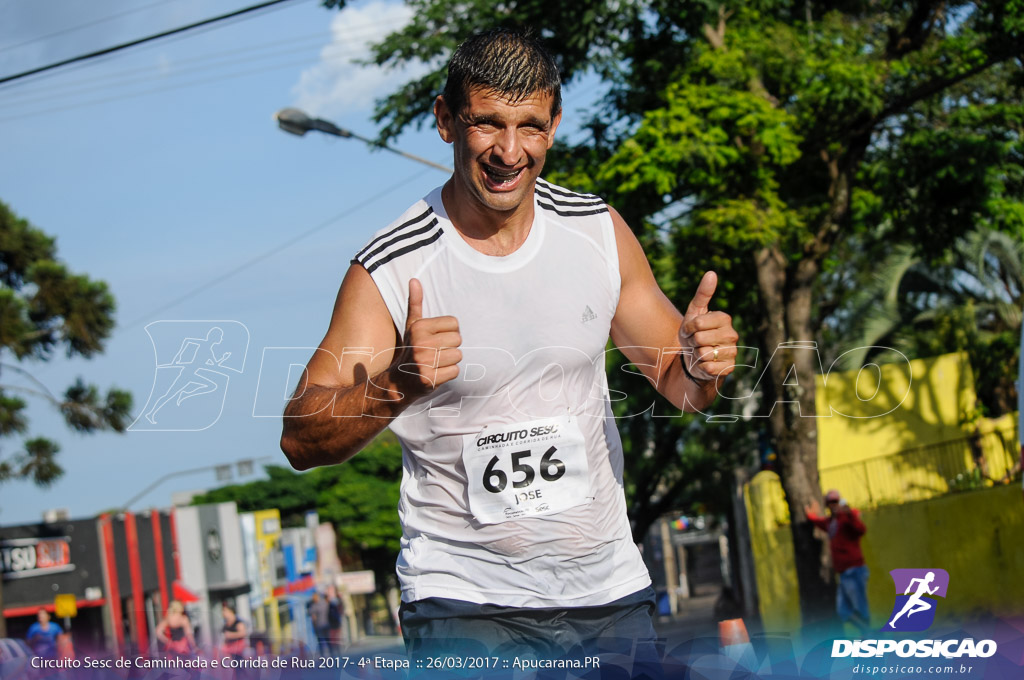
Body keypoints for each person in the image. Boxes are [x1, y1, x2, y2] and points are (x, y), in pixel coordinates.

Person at [280, 29, 738, 661]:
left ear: (553, 126)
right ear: (445, 120)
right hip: (464, 597)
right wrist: (397, 383)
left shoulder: (596, 232)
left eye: (529, 126)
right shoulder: (389, 267)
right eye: (487, 124)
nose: (509, 150)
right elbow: (300, 438)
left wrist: (703, 365)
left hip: (607, 590)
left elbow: (683, 388)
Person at [805, 489, 870, 633]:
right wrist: (810, 514)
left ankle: (869, 638)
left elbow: (861, 530)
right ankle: (869, 634)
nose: (832, 505)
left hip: (854, 570)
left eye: (835, 502)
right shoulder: (831, 522)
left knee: (860, 608)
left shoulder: (847, 517)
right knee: (843, 610)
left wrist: (850, 514)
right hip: (843, 573)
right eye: (829, 503)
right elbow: (819, 522)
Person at [307, 591, 331, 657]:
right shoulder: (324, 603)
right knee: (326, 640)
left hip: (320, 626)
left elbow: (309, 613)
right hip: (325, 624)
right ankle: (330, 655)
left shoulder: (314, 606)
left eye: (314, 597)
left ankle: (325, 655)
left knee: (322, 641)